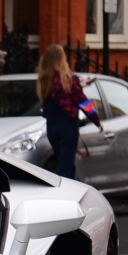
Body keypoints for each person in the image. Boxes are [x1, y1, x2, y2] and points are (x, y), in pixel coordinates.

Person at [38, 43, 102, 180]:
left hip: (52, 129)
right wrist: (97, 121)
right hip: (67, 129)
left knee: (66, 165)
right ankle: (63, 197)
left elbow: (57, 95)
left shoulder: (45, 81)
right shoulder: (69, 80)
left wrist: (79, 84)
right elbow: (84, 103)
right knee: (65, 170)